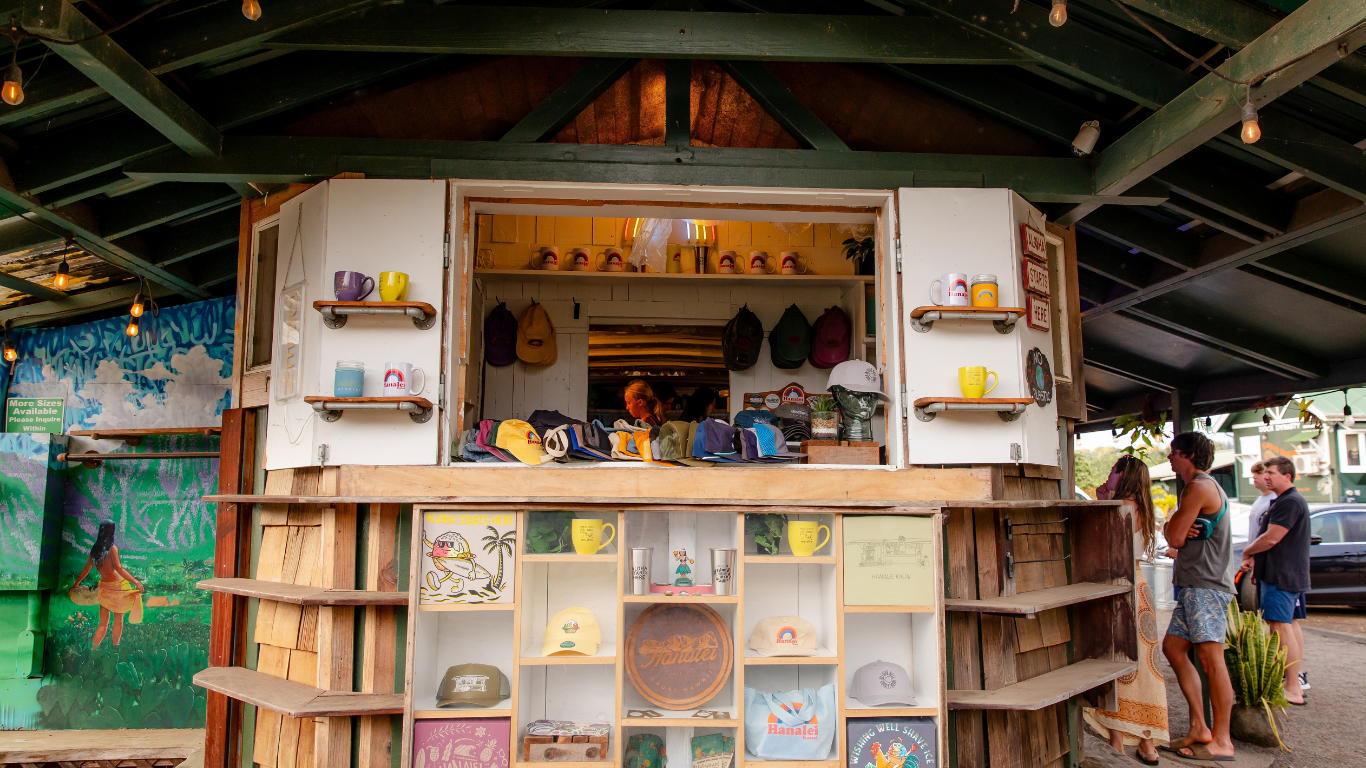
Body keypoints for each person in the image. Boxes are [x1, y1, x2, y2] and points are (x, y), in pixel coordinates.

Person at [1083, 456, 1170, 766]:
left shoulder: (1118, 509)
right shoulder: (1143, 509)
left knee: (1119, 663)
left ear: (1122, 476)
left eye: (1111, 472)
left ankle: (1117, 741)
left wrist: (1100, 502)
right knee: (1146, 667)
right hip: (1141, 588)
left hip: (1120, 589)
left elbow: (1103, 548)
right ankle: (1148, 743)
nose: (1107, 476)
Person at [1159, 431, 1236, 762]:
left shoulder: (1198, 487)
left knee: (1211, 659)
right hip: (1195, 585)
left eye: (1173, 453)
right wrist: (1172, 526)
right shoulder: (1203, 488)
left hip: (1206, 585)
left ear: (1188, 454)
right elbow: (1175, 532)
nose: (1170, 458)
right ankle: (1199, 727)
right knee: (1174, 648)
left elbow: (1174, 537)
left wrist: (1170, 525)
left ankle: (1222, 740)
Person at [1239, 456, 1310, 705]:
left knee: (1280, 627)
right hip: (1281, 573)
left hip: (1282, 574)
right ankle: (1295, 681)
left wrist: (1248, 551)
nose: (1265, 476)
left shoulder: (1289, 502)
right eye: (1265, 472)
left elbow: (1272, 538)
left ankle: (1293, 687)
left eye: (1271, 472)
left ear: (1287, 476)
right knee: (1286, 624)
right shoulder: (1282, 501)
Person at [71, 521, 144, 649]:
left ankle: (94, 648)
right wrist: (136, 582)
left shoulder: (95, 550)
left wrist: (76, 584)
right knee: (118, 621)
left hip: (104, 587)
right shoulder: (112, 549)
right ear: (112, 532)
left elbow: (86, 570)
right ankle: (115, 648)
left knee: (103, 624)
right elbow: (119, 568)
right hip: (118, 587)